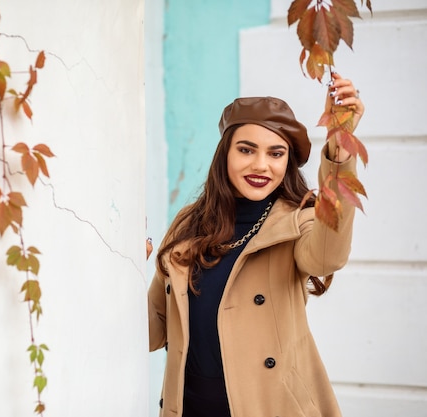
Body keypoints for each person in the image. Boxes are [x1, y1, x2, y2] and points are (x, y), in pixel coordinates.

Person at [147, 73, 364, 417]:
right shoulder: (189, 224)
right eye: (246, 150)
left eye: (276, 153)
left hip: (270, 407)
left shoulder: (298, 222)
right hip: (190, 407)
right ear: (225, 155)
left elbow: (327, 257)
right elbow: (153, 326)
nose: (261, 165)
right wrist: (127, 264)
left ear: (287, 162)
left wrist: (339, 148)